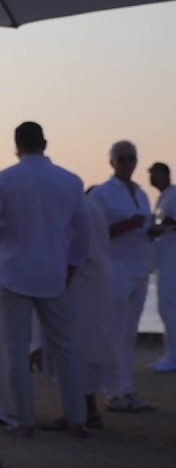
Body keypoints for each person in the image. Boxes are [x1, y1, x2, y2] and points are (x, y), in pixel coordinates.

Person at [0, 122, 91, 438]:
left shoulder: (5, 179)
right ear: (45, 143)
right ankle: (76, 417)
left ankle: (25, 420)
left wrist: (8, 238)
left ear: (17, 146)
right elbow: (84, 231)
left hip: (14, 269)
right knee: (64, 348)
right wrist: (72, 265)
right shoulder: (70, 181)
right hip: (54, 271)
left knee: (16, 348)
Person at [33, 186, 114, 430]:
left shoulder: (80, 211)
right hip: (94, 287)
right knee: (85, 346)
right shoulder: (93, 210)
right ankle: (87, 409)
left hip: (77, 287)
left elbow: (76, 251)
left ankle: (79, 412)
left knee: (71, 347)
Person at [89, 141, 156, 412]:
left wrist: (151, 231)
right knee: (114, 332)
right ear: (112, 162)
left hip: (139, 268)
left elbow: (145, 227)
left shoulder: (141, 194)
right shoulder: (102, 194)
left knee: (129, 334)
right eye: (123, 159)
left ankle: (126, 388)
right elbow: (94, 232)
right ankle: (112, 391)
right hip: (114, 268)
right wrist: (127, 225)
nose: (128, 163)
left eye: (132, 158)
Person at [146, 162, 176, 373]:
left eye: (154, 174)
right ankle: (169, 353)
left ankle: (173, 356)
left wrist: (160, 228)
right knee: (166, 307)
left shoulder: (173, 196)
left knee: (168, 306)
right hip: (163, 259)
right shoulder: (163, 197)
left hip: (172, 258)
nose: (151, 178)